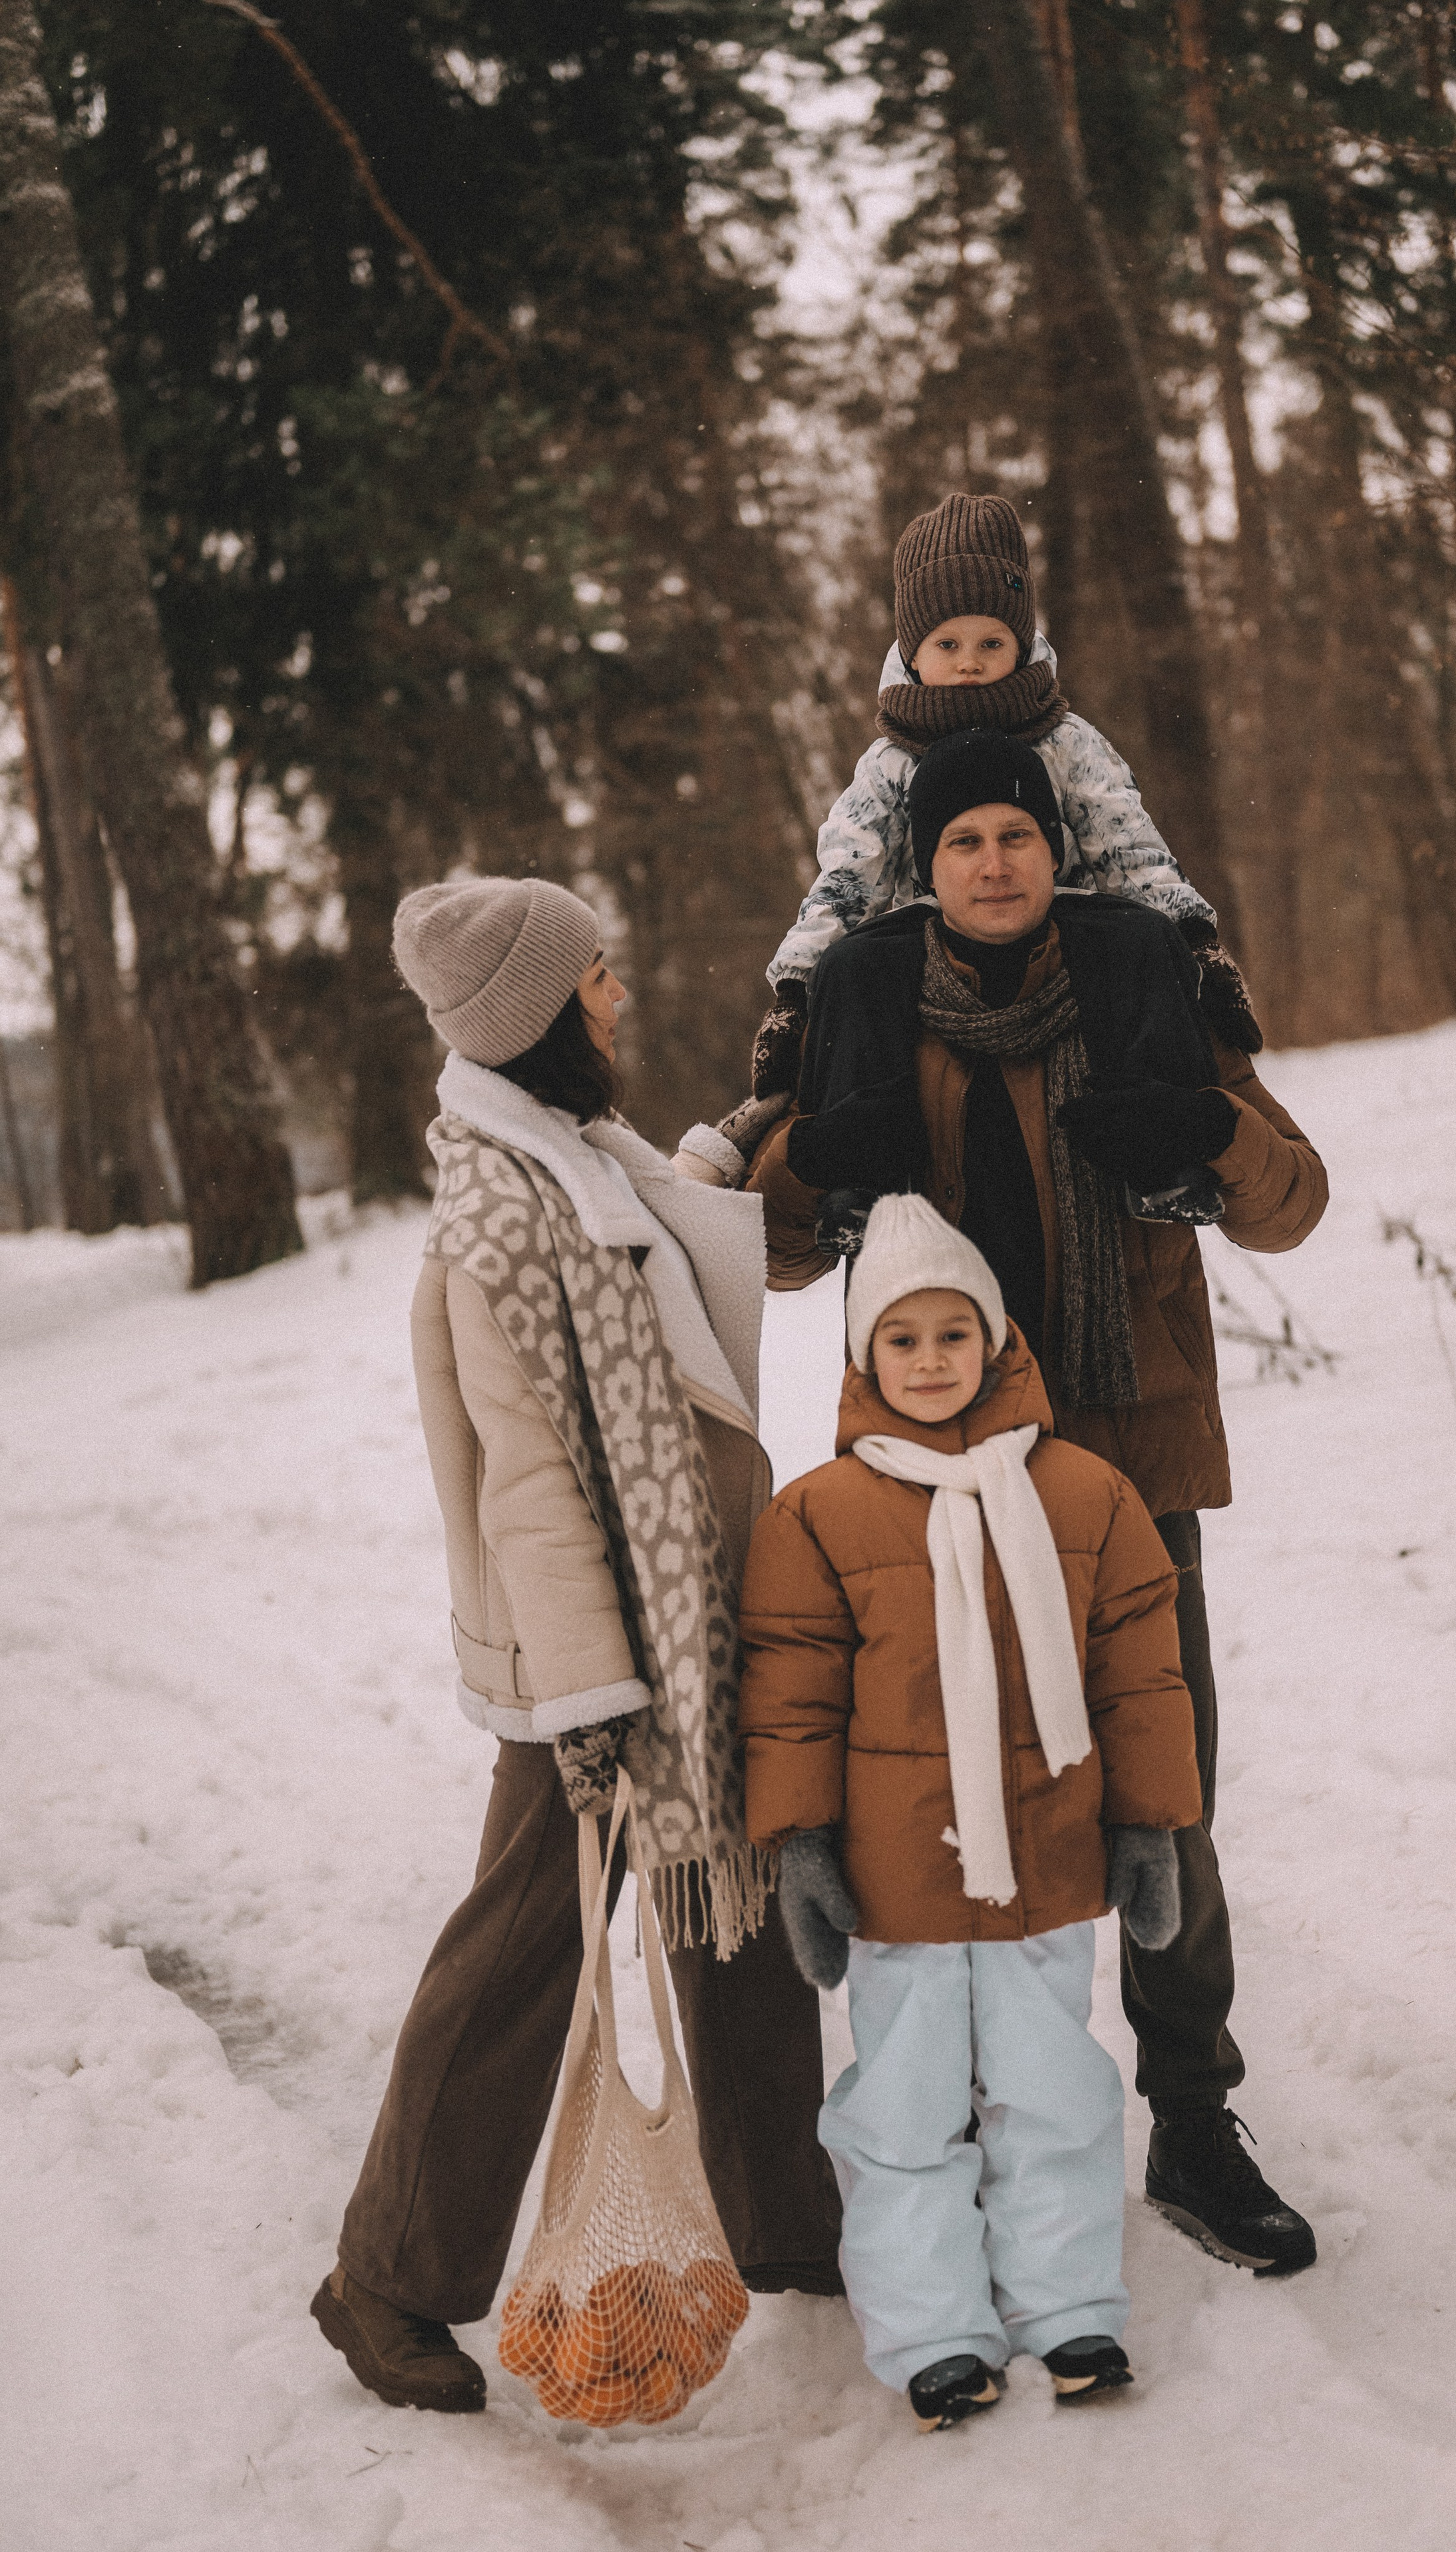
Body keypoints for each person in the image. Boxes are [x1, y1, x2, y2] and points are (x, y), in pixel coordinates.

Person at [745, 732, 1330, 2278]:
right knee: (947, 1799)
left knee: (1161, 1787)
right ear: (923, 869)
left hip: (1125, 1468)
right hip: (928, 1485)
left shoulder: (1143, 983)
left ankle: (1194, 2117)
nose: (992, 860)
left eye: (1016, 833)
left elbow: (1290, 1195)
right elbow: (778, 1236)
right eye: (962, 841)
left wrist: (1202, 1129)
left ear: (1054, 850)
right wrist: (816, 1155)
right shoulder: (866, 1003)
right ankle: (979, 2127)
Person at [311, 876, 841, 2417]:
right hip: (593, 1661)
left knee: (725, 1909)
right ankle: (385, 2276)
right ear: (538, 1013)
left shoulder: (577, 1162)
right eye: (593, 975)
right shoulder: (495, 1214)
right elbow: (530, 1471)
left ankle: (787, 2225)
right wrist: (592, 1699)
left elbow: (658, 1261)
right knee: (521, 1950)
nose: (617, 994)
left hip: (683, 1619)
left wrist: (740, 1140)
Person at [739, 1195, 1203, 2432]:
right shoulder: (816, 1516)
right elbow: (787, 1692)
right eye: (903, 1339)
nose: (933, 1360)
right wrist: (801, 1846)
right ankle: (936, 2331)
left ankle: (1068, 2309)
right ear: (861, 1358)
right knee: (902, 2113)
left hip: (1046, 1864)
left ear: (999, 1344)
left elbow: (1143, 1674)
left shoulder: (1086, 1494)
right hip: (899, 1885)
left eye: (956, 1333)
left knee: (1057, 2093)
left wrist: (1151, 1825)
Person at [722, 490, 1261, 1119]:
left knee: (1138, 943)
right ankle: (859, 1159)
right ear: (913, 654)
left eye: (991, 642)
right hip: (935, 944)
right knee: (857, 968)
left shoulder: (1064, 741)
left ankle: (1166, 1127)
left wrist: (1194, 940)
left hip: (1059, 932)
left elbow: (1126, 844)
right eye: (948, 645)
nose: (970, 664)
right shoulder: (892, 762)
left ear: (1021, 644)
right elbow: (850, 876)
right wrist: (796, 991)